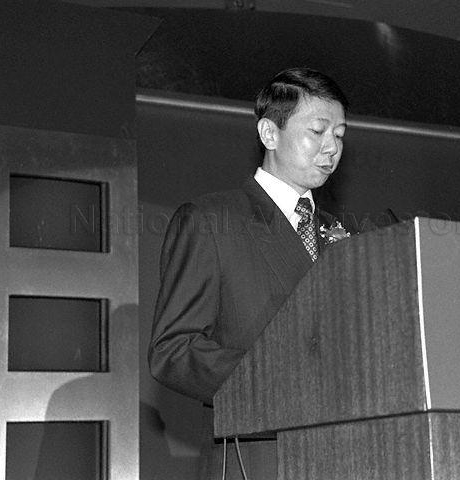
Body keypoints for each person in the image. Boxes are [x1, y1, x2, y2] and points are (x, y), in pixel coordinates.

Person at [148, 67, 349, 479]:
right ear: (269, 134)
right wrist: (276, 380)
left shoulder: (341, 232)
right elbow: (173, 350)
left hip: (350, 450)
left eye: (341, 135)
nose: (331, 147)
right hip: (261, 455)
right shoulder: (211, 220)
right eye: (318, 130)